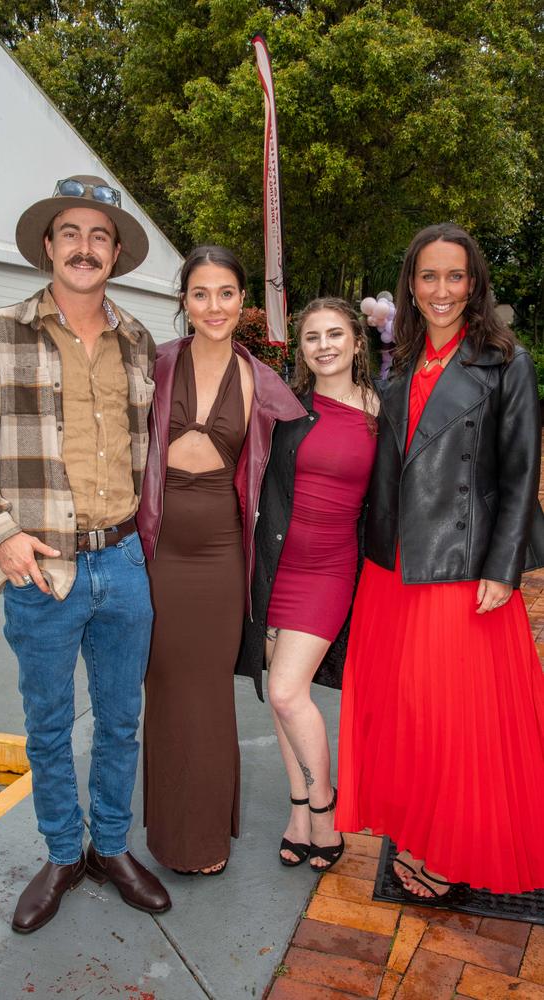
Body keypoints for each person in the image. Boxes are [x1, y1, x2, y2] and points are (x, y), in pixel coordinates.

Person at [0, 175, 171, 933]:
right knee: (47, 725)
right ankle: (61, 854)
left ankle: (110, 847)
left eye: (99, 236)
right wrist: (3, 532)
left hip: (124, 562)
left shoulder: (138, 340)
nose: (85, 247)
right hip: (40, 565)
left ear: (115, 253)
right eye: (70, 233)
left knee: (119, 720)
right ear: (49, 247)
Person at [337, 222, 544, 902]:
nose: (442, 290)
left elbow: (520, 473)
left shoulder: (505, 360)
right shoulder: (402, 360)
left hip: (461, 569)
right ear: (411, 285)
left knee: (462, 724)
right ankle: (422, 830)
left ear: (475, 283)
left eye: (456, 276)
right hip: (394, 567)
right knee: (414, 716)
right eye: (429, 276)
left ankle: (456, 852)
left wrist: (502, 568)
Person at [137, 245, 306, 875]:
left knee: (207, 691)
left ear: (243, 302)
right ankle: (166, 833)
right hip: (152, 548)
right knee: (164, 686)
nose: (214, 306)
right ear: (183, 299)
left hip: (218, 555)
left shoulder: (262, 383)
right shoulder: (152, 365)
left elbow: (295, 471)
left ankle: (203, 838)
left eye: (226, 293)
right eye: (201, 293)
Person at [238, 298, 378, 872]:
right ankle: (300, 810)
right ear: (301, 350)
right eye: (312, 337)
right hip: (275, 567)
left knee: (287, 692)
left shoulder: (381, 410)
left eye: (334, 334)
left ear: (356, 342)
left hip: (330, 568)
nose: (324, 345)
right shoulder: (288, 408)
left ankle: (324, 804)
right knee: (281, 693)